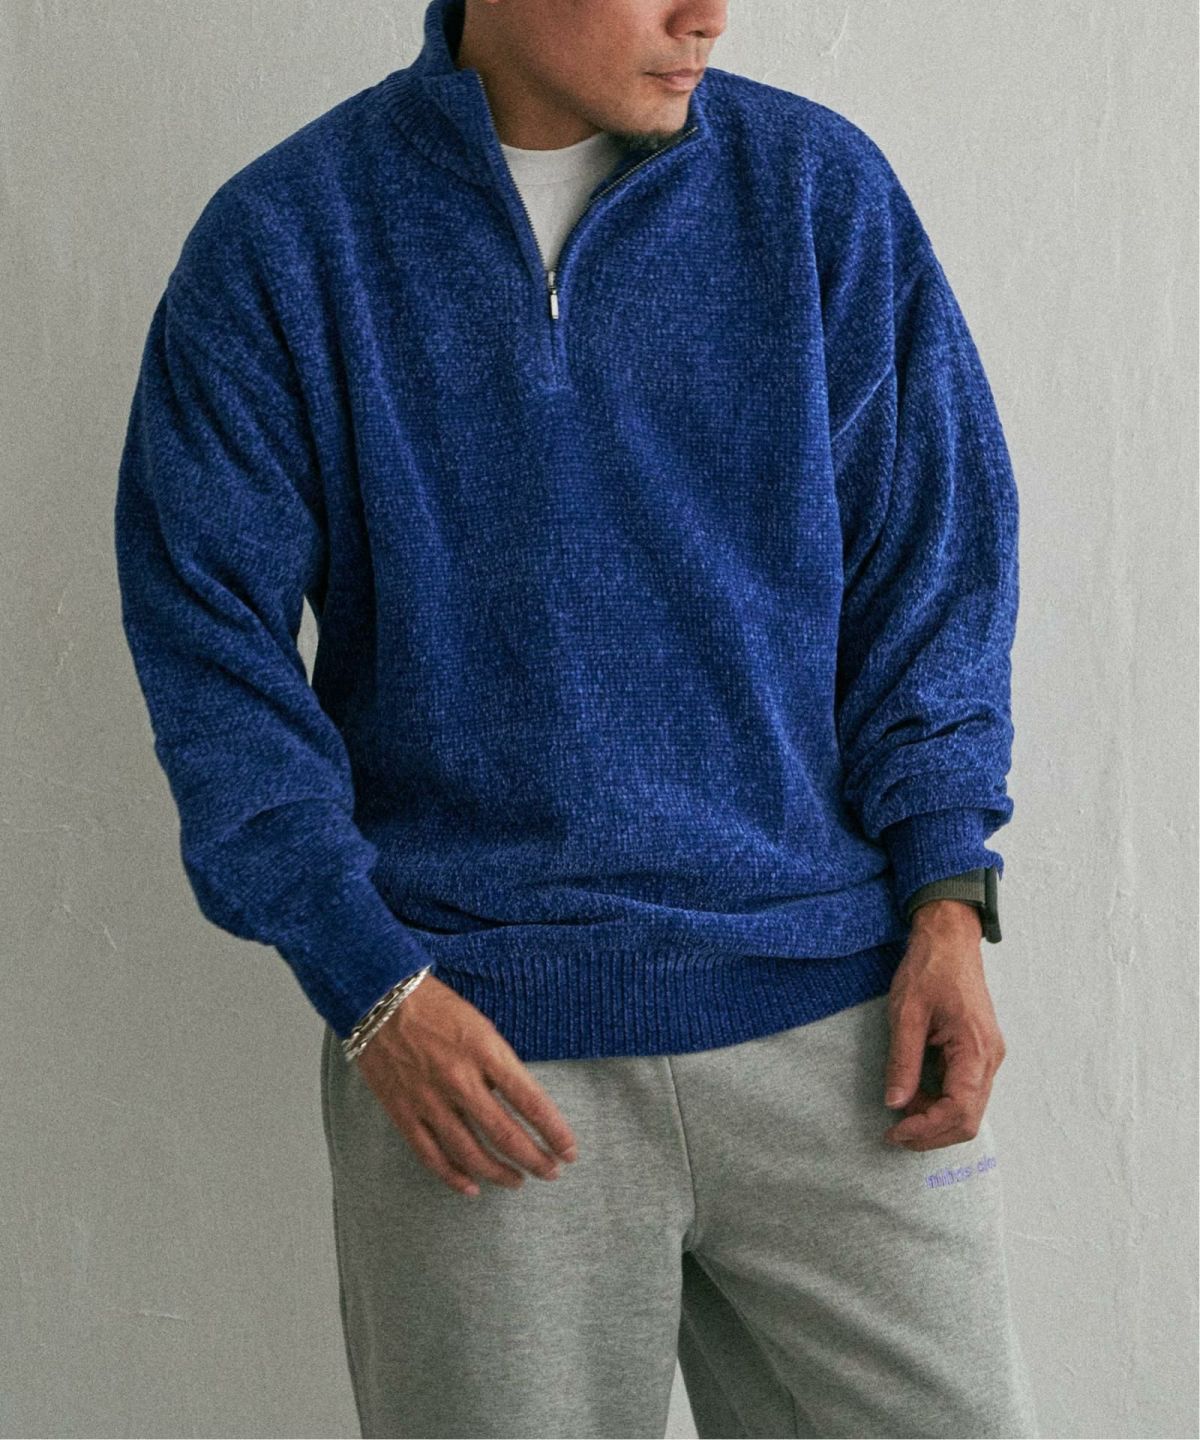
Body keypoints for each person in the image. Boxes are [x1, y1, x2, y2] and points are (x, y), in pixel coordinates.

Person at [113, 0, 1039, 1434]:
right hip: (477, 1062)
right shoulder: (287, 242)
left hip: (845, 1036)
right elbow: (208, 648)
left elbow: (936, 561)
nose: (707, 15)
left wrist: (949, 899)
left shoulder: (815, 195)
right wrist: (371, 984)